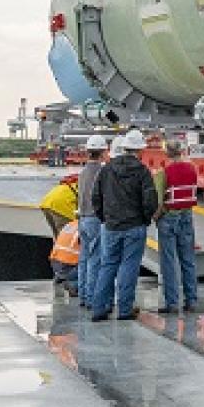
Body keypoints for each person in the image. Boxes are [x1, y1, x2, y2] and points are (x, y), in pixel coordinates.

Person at [89, 129, 158, 321]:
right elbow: (150, 200)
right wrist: (145, 219)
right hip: (134, 226)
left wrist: (104, 218)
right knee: (129, 266)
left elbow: (95, 197)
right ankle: (125, 309)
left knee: (107, 265)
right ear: (140, 150)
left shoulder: (106, 170)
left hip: (111, 226)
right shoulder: (142, 171)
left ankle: (99, 308)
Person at [153, 140, 200, 313]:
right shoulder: (192, 169)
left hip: (169, 218)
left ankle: (172, 303)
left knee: (169, 261)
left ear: (167, 154)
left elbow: (158, 201)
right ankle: (191, 300)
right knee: (188, 260)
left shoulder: (163, 173)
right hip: (187, 216)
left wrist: (156, 218)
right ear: (181, 151)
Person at [76, 135, 109, 308]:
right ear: (103, 152)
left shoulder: (82, 173)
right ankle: (91, 298)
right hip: (96, 218)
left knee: (84, 258)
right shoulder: (102, 172)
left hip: (83, 218)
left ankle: (82, 295)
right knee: (96, 259)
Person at [49, 219, 80, 294]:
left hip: (55, 264)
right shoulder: (91, 227)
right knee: (95, 270)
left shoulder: (70, 224)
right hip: (69, 267)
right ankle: (75, 284)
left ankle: (60, 276)